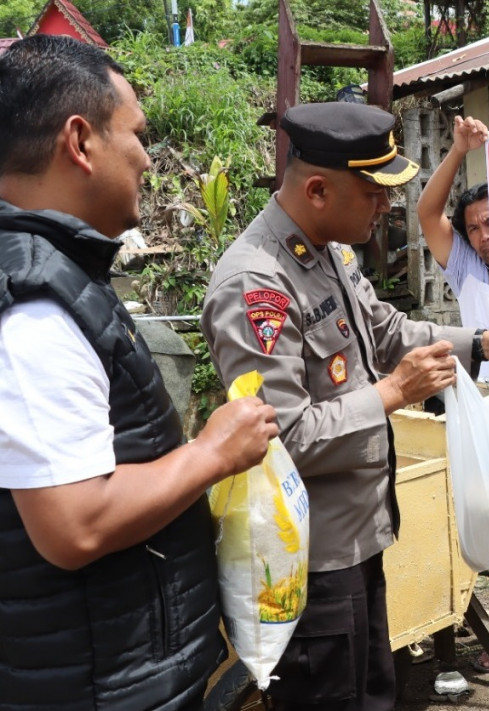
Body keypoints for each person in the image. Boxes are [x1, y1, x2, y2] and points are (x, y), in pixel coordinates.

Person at [201, 101, 489, 711]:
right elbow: (280, 437)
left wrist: (487, 342)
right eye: (372, 193)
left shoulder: (330, 251)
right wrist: (392, 393)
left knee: (374, 695)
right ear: (317, 190)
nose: (385, 206)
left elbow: (387, 331)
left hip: (361, 540)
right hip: (312, 563)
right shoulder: (257, 285)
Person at [0, 35, 279, 710]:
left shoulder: (58, 273)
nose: (149, 159)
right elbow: (76, 523)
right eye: (137, 134)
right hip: (100, 685)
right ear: (79, 141)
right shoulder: (35, 305)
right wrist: (213, 452)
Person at [416, 114, 489, 672]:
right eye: (475, 227)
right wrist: (459, 151)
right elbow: (426, 214)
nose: (485, 234)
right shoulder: (465, 266)